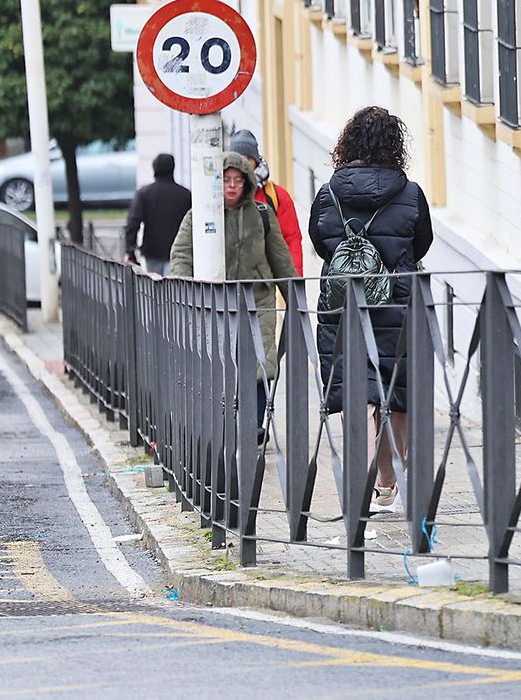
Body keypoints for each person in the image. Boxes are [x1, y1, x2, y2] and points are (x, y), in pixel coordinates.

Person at [307, 106, 433, 512]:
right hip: (397, 301)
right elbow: (422, 242)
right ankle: (389, 483)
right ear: (394, 146)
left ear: (348, 143)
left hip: (343, 304)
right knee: (397, 392)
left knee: (355, 393)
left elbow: (320, 241)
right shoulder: (410, 192)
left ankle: (358, 489)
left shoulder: (328, 192)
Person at [169, 152, 297, 427]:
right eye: (226, 179)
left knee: (259, 365)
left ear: (247, 183)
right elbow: (181, 254)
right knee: (220, 366)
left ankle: (255, 427)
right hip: (214, 303)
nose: (231, 186)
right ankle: (224, 425)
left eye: (238, 180)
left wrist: (294, 299)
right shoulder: (200, 213)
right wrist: (184, 291)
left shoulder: (262, 214)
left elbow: (281, 258)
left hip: (258, 300)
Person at [229, 130, 305, 275]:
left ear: (256, 162)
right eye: (238, 159)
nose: (243, 166)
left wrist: (294, 284)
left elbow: (291, 239)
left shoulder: (277, 196)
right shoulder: (217, 198)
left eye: (247, 159)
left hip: (264, 284)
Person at [123, 153, 190, 276]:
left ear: (154, 169)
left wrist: (130, 250)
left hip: (152, 251)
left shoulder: (144, 193)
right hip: (178, 252)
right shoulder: (185, 195)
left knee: (154, 289)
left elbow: (133, 222)